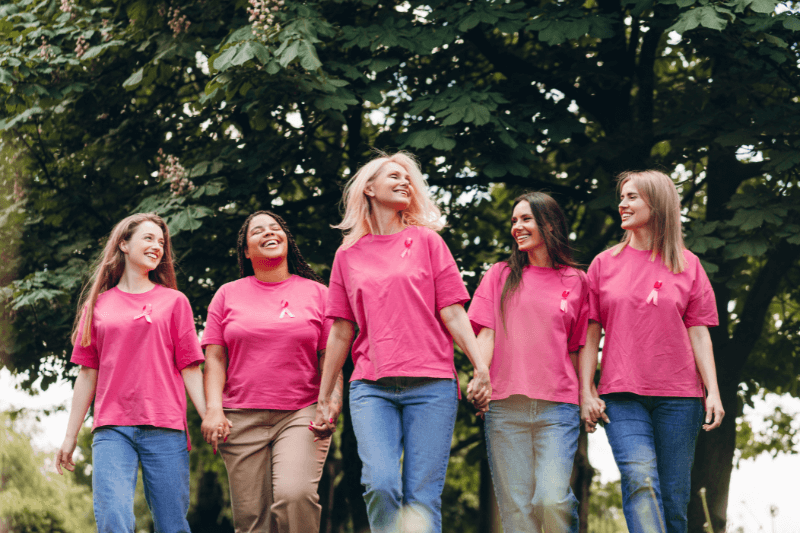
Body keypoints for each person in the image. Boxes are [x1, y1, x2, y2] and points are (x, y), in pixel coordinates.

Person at [313, 151, 491, 533]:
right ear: (370, 189)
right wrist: (325, 394)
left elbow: (454, 312)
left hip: (432, 385)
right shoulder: (347, 255)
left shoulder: (427, 242)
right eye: (394, 176)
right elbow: (342, 330)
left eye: (409, 178)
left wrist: (480, 367)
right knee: (380, 484)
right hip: (371, 387)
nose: (405, 182)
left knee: (422, 497)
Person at [580, 170, 725, 533]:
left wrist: (713, 391)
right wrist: (586, 390)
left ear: (656, 204)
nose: (622, 204)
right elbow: (590, 330)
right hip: (621, 393)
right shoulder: (603, 264)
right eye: (622, 196)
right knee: (640, 478)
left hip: (679, 398)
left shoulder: (688, 265)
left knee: (675, 499)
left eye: (632, 197)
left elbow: (699, 332)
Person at [55, 213, 206, 533]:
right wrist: (69, 436)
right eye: (148, 238)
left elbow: (190, 366)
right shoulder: (97, 305)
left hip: (166, 426)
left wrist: (210, 416)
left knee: (172, 525)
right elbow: (87, 373)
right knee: (112, 519)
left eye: (162, 243)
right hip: (112, 428)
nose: (157, 247)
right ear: (123, 243)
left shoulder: (175, 302)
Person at [200, 210, 341, 533]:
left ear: (287, 241)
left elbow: (329, 359)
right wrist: (213, 409)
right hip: (240, 417)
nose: (268, 232)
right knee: (253, 521)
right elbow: (215, 358)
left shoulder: (317, 293)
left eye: (275, 227)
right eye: (258, 231)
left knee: (295, 496)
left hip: (301, 413)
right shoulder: (227, 295)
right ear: (246, 252)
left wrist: (331, 402)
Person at [467, 192, 589, 533]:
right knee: (516, 508)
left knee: (550, 499)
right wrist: (481, 378)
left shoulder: (577, 281)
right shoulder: (500, 275)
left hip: (558, 406)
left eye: (525, 219)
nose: (517, 227)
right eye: (513, 221)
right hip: (506, 407)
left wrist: (587, 396)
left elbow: (579, 346)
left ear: (548, 224)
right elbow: (486, 335)